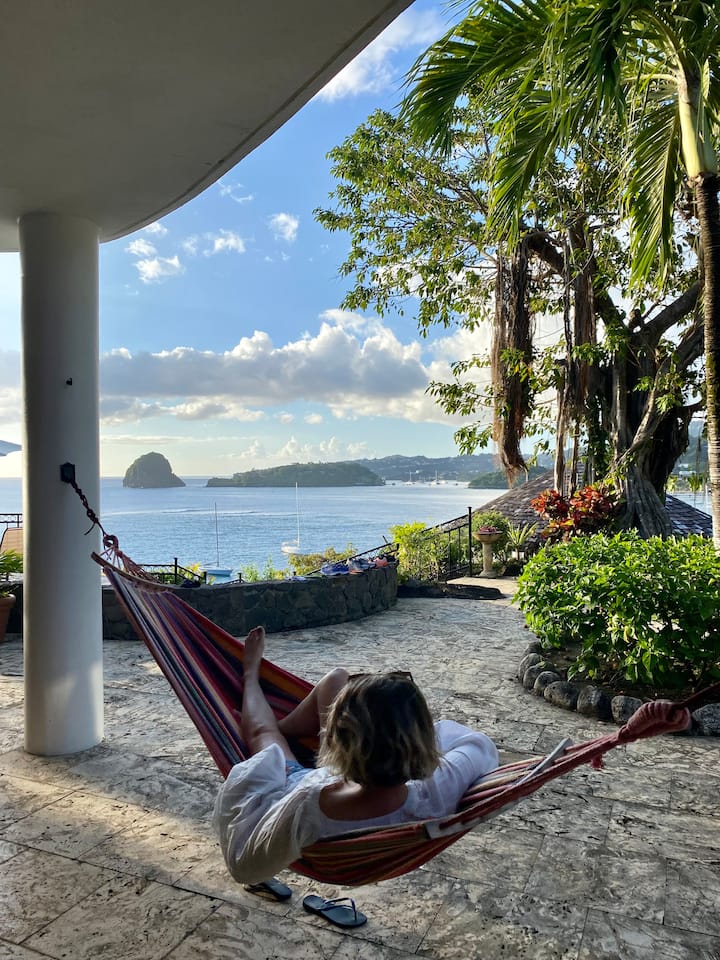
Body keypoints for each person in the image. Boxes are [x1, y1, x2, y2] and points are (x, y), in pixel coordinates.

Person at [213, 625, 499, 885]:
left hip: (299, 781)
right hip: (360, 768)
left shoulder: (307, 809)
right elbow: (480, 745)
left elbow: (244, 867)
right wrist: (401, 732)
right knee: (336, 678)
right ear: (421, 741)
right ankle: (285, 728)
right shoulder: (440, 788)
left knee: (263, 733)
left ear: (333, 741)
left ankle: (251, 675)